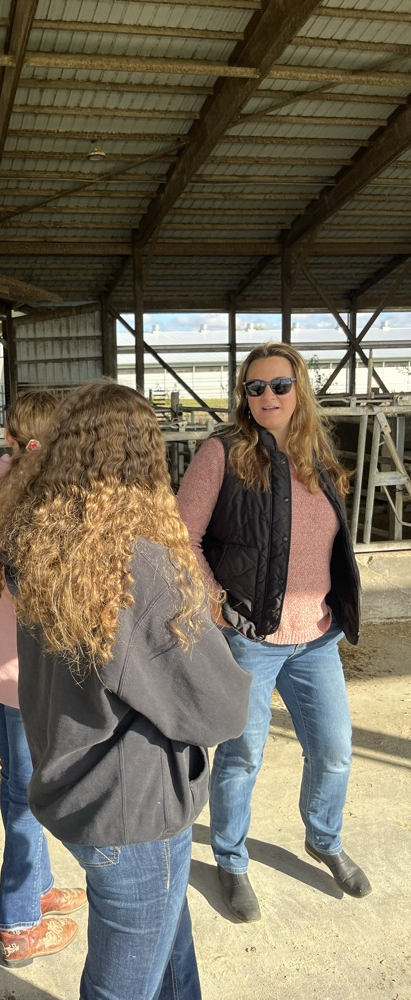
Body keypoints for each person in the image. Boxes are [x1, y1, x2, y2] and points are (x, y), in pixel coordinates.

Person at [0, 379, 251, 1000]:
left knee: (168, 943)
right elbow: (219, 707)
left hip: (77, 788)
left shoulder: (41, 543)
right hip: (133, 813)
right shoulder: (139, 569)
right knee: (121, 984)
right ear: (145, 458)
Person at [176, 341, 370, 924]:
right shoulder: (222, 452)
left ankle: (324, 838)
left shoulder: (317, 451)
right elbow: (178, 536)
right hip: (250, 638)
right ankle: (231, 859)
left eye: (279, 385)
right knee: (241, 757)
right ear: (243, 395)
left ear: (299, 388)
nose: (267, 397)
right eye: (254, 388)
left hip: (317, 636)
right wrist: (214, 602)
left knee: (334, 751)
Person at [0, 388, 87, 967]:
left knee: (19, 778)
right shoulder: (55, 495)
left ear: (8, 435)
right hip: (27, 674)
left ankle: (39, 886)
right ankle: (19, 922)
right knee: (27, 795)